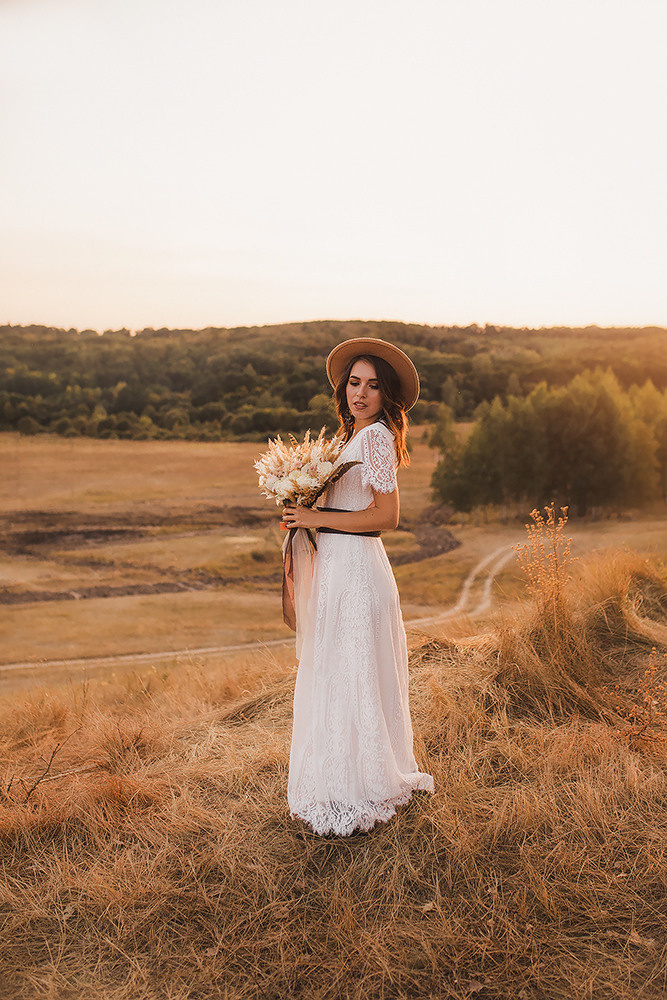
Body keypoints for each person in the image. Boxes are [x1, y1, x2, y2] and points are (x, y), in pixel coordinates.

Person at [281, 337, 434, 837]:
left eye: (372, 386)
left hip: (359, 571)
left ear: (386, 395)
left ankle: (363, 783)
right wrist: (301, 509)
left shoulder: (374, 438)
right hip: (341, 569)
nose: (360, 393)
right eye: (353, 383)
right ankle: (343, 776)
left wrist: (313, 514)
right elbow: (346, 507)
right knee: (343, 672)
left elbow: (386, 516)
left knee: (353, 671)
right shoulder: (354, 437)